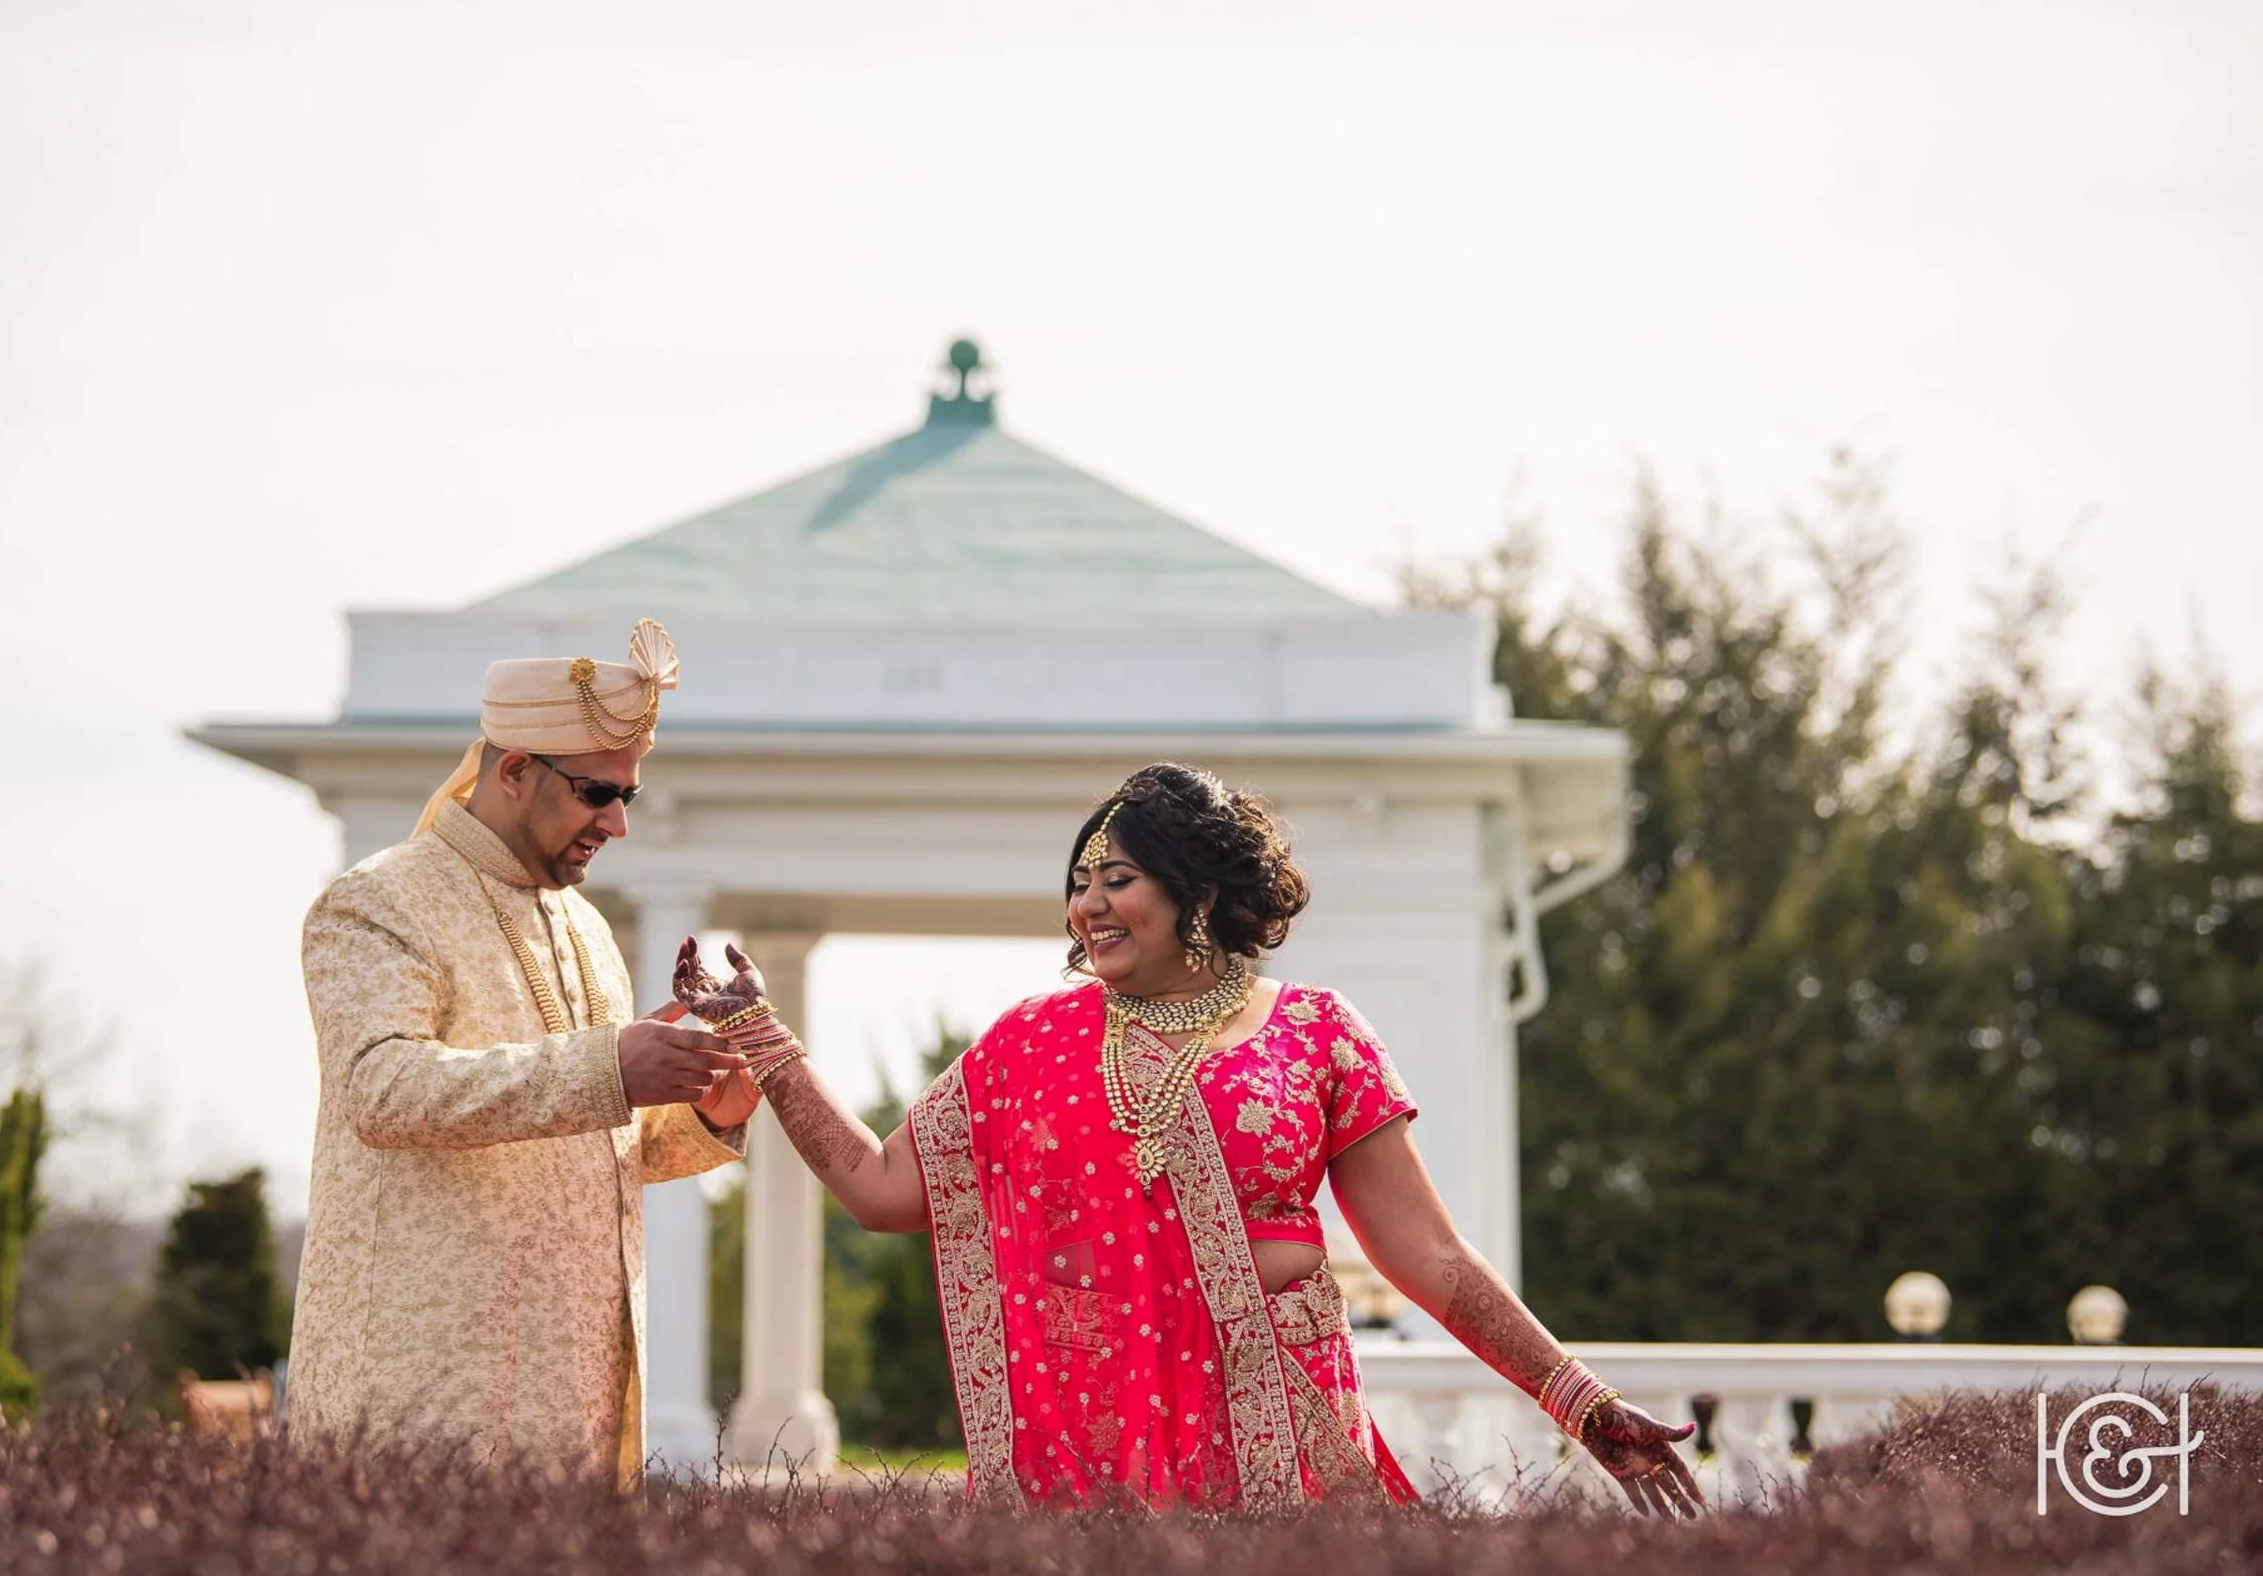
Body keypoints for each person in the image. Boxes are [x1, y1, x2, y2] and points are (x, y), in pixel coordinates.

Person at [675, 761, 1703, 1515]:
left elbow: (1425, 1253)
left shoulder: (1316, 1032)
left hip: (1283, 1423)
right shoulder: (1032, 1041)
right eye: (1079, 882)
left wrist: (1579, 1401)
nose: (1086, 905)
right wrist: (758, 1037)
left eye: (1115, 878)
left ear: (1198, 893)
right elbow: (877, 1187)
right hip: (1101, 1444)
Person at [287, 620, 760, 1485]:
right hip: (419, 1401)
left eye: (628, 796)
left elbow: (590, 1145)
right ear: (513, 771)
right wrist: (611, 1066)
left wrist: (700, 1106)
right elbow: (379, 1088)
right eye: (595, 792)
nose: (616, 821)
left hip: (571, 1405)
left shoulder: (584, 929)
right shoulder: (378, 904)